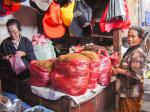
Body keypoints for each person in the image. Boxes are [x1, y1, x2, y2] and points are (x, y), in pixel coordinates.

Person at [113, 26, 146, 112]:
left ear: (140, 39)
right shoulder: (131, 49)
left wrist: (120, 71)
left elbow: (136, 76)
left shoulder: (137, 53)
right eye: (128, 36)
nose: (130, 39)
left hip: (131, 94)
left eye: (133, 36)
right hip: (125, 92)